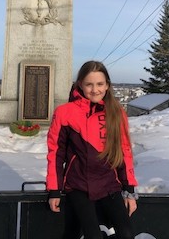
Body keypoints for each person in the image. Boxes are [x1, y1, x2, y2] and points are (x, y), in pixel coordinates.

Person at [46, 60, 138, 239]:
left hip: (109, 183)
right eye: (89, 84)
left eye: (100, 84)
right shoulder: (65, 112)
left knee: (126, 233)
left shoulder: (116, 112)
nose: (95, 89)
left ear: (107, 85)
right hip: (78, 184)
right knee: (91, 235)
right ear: (80, 84)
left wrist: (129, 190)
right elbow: (55, 153)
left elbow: (124, 152)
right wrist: (54, 190)